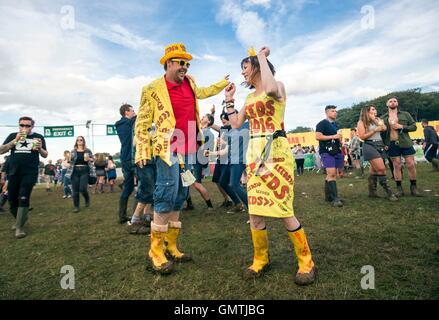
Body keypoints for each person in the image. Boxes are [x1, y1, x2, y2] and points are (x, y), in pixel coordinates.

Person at [135, 43, 230, 274]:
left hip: (189, 148)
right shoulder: (152, 88)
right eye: (180, 62)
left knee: (181, 193)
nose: (185, 67)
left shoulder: (190, 82)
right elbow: (143, 121)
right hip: (168, 148)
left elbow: (204, 92)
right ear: (168, 63)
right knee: (165, 192)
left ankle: (171, 246)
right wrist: (142, 151)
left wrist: (223, 85)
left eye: (187, 63)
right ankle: (155, 251)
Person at [224, 46, 316, 285]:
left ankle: (306, 262)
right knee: (255, 211)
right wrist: (229, 101)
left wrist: (262, 57)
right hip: (254, 153)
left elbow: (272, 88)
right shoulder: (250, 96)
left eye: (245, 67)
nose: (242, 72)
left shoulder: (278, 86)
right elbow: (235, 123)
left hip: (276, 150)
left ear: (255, 65)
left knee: (284, 209)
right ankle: (260, 259)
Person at [0, 116, 48, 238]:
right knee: (11, 200)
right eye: (22, 125)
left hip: (30, 172)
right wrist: (15, 141)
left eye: (27, 125)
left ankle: (19, 228)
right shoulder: (12, 135)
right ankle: (20, 219)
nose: (24, 128)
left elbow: (45, 155)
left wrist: (40, 148)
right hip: (13, 173)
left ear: (32, 126)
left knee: (23, 197)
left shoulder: (38, 137)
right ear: (19, 125)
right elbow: (1, 150)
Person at [381, 97, 422, 197]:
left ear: (397, 103)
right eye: (390, 101)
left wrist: (402, 127)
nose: (393, 102)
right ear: (387, 104)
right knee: (396, 166)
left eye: (394, 101)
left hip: (406, 143)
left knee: (411, 164)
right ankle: (399, 189)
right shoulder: (384, 118)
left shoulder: (405, 114)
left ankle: (413, 187)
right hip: (392, 144)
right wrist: (384, 144)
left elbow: (414, 126)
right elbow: (382, 133)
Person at [357, 105, 398, 201]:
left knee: (374, 170)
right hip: (369, 145)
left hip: (380, 144)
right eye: (373, 109)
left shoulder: (378, 119)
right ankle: (389, 193)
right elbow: (362, 137)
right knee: (381, 168)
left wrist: (376, 121)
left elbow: (384, 128)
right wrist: (374, 130)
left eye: (375, 109)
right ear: (366, 112)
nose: (375, 111)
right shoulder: (361, 122)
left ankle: (372, 192)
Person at [316, 105, 344, 207]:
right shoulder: (322, 123)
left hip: (336, 150)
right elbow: (318, 136)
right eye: (332, 111)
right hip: (326, 151)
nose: (335, 113)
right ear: (327, 113)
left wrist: (340, 141)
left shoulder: (336, 124)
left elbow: (338, 137)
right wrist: (333, 136)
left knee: (332, 174)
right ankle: (335, 199)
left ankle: (329, 196)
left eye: (336, 111)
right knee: (331, 173)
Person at [116, 104, 137, 224]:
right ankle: (138, 216)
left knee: (128, 188)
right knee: (143, 185)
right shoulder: (125, 124)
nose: (134, 112)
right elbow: (134, 121)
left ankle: (122, 216)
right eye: (132, 111)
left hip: (126, 158)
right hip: (131, 158)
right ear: (126, 112)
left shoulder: (123, 124)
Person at [66, 136, 94, 213]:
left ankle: (87, 198)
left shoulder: (88, 150)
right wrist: (68, 159)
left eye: (81, 140)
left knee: (82, 189)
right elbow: (69, 161)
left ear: (83, 141)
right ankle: (76, 207)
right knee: (75, 190)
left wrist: (89, 159)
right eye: (78, 140)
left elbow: (93, 159)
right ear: (76, 142)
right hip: (74, 171)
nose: (79, 141)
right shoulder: (73, 151)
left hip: (85, 170)